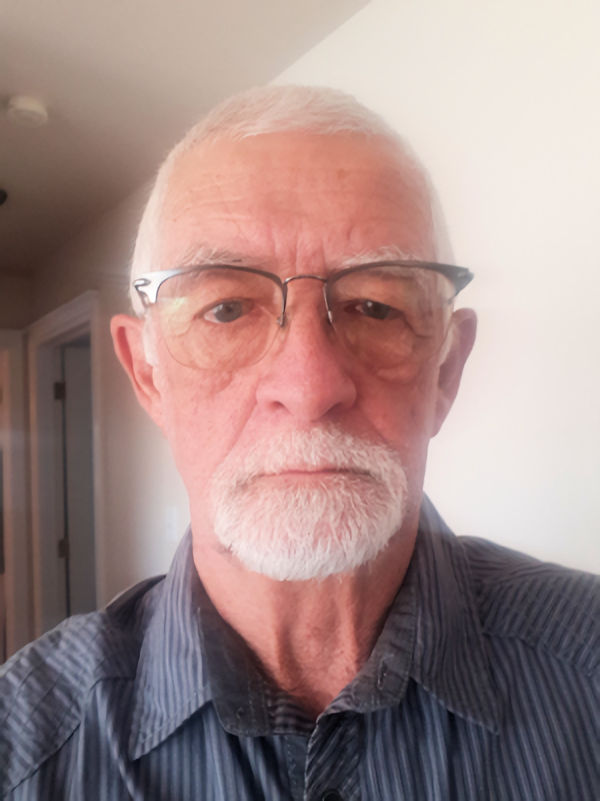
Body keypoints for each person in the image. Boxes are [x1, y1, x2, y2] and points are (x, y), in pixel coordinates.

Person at [1, 86, 598, 800]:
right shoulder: (22, 749)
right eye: (227, 309)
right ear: (147, 374)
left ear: (446, 369)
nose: (310, 385)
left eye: (376, 306)